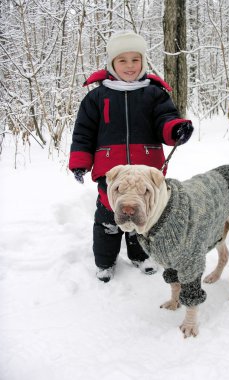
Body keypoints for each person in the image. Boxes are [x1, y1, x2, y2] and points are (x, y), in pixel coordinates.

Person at [69, 31, 194, 282]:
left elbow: (165, 121)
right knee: (108, 218)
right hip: (111, 173)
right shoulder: (97, 97)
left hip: (147, 172)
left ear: (143, 62)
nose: (129, 66)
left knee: (143, 215)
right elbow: (83, 132)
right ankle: (105, 262)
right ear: (112, 63)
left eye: (135, 60)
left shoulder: (154, 94)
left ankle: (141, 255)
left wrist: (175, 129)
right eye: (122, 60)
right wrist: (80, 163)